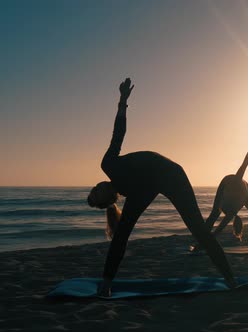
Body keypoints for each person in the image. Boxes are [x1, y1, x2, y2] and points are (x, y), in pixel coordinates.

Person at [87, 78, 236, 296]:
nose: (98, 190)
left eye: (94, 190)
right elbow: (120, 238)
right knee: (121, 236)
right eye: (98, 196)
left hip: (171, 174)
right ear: (109, 201)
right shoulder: (131, 195)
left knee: (198, 229)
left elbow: (118, 134)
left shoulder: (108, 164)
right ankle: (107, 283)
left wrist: (122, 101)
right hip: (149, 186)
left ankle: (230, 279)